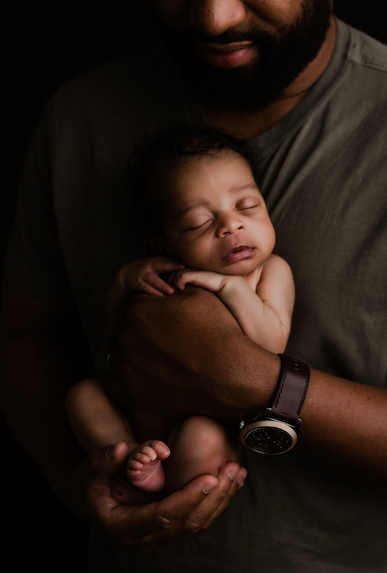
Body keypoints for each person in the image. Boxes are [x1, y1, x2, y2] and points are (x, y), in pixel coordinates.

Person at [0, 1, 387, 573]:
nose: (215, 18)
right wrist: (86, 487)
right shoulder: (80, 116)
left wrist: (251, 380)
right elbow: (27, 337)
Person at [64, 125, 294, 501]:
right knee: (81, 395)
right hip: (134, 412)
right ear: (164, 243)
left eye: (247, 206)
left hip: (201, 422)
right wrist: (124, 282)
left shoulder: (269, 272)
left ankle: (165, 491)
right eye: (197, 223)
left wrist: (231, 287)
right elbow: (117, 330)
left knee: (202, 437)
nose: (230, 225)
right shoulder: (164, 271)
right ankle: (127, 457)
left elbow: (270, 347)